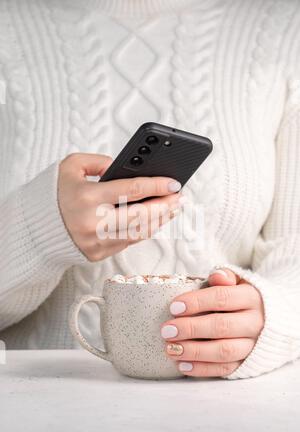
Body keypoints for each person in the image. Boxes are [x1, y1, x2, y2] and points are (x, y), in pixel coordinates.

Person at [0, 0, 300, 380]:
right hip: (32, 410)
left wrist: (275, 315)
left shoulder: (286, 27)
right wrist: (41, 231)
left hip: (227, 413)